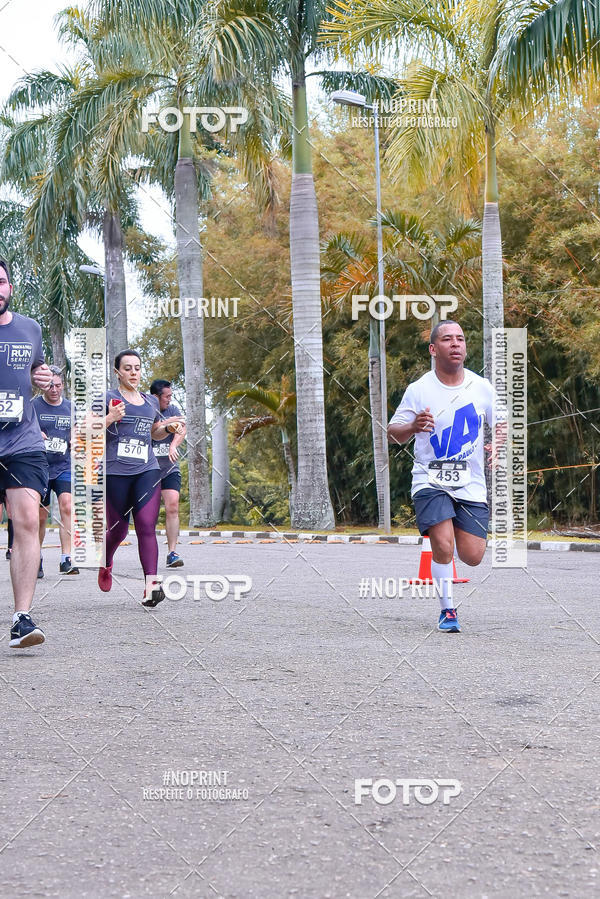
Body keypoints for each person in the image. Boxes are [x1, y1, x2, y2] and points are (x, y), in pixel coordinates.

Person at [388, 320, 504, 633]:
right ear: (433, 349)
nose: (455, 344)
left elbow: (503, 423)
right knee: (443, 545)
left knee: (473, 555)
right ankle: (448, 611)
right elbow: (392, 433)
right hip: (430, 480)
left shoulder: (481, 387)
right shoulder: (419, 390)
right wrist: (413, 427)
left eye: (460, 339)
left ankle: (449, 523)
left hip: (471, 484)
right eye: (447, 339)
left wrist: (498, 442)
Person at [98, 350, 185, 606]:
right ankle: (106, 560)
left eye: (137, 368)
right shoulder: (106, 398)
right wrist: (109, 418)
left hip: (146, 470)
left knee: (147, 525)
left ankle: (151, 586)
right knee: (118, 530)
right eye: (127, 368)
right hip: (115, 472)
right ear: (117, 372)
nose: (133, 373)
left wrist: (168, 428)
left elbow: (154, 433)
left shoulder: (149, 402)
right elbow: (84, 429)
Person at [0, 258, 52, 648]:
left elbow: (38, 370)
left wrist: (43, 376)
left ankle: (22, 618)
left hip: (22, 441)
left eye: (1, 282)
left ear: (10, 288)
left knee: (28, 521)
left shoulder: (30, 328)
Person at [33, 365, 79, 576]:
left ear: (63, 386)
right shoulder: (34, 406)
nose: (54, 389)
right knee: (40, 517)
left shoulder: (71, 407)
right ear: (44, 386)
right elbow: (24, 428)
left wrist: (75, 439)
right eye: (50, 385)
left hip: (63, 466)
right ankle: (36, 557)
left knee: (67, 506)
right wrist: (36, 434)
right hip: (40, 467)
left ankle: (66, 558)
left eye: (58, 385)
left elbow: (76, 432)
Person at [149, 379, 187, 568]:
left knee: (172, 506)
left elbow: (182, 426)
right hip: (148, 470)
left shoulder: (172, 410)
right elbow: (152, 430)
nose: (170, 400)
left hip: (170, 467)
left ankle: (172, 552)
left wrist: (173, 445)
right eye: (167, 397)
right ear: (156, 397)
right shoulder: (146, 407)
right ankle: (149, 552)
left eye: (171, 396)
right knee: (150, 514)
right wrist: (170, 422)